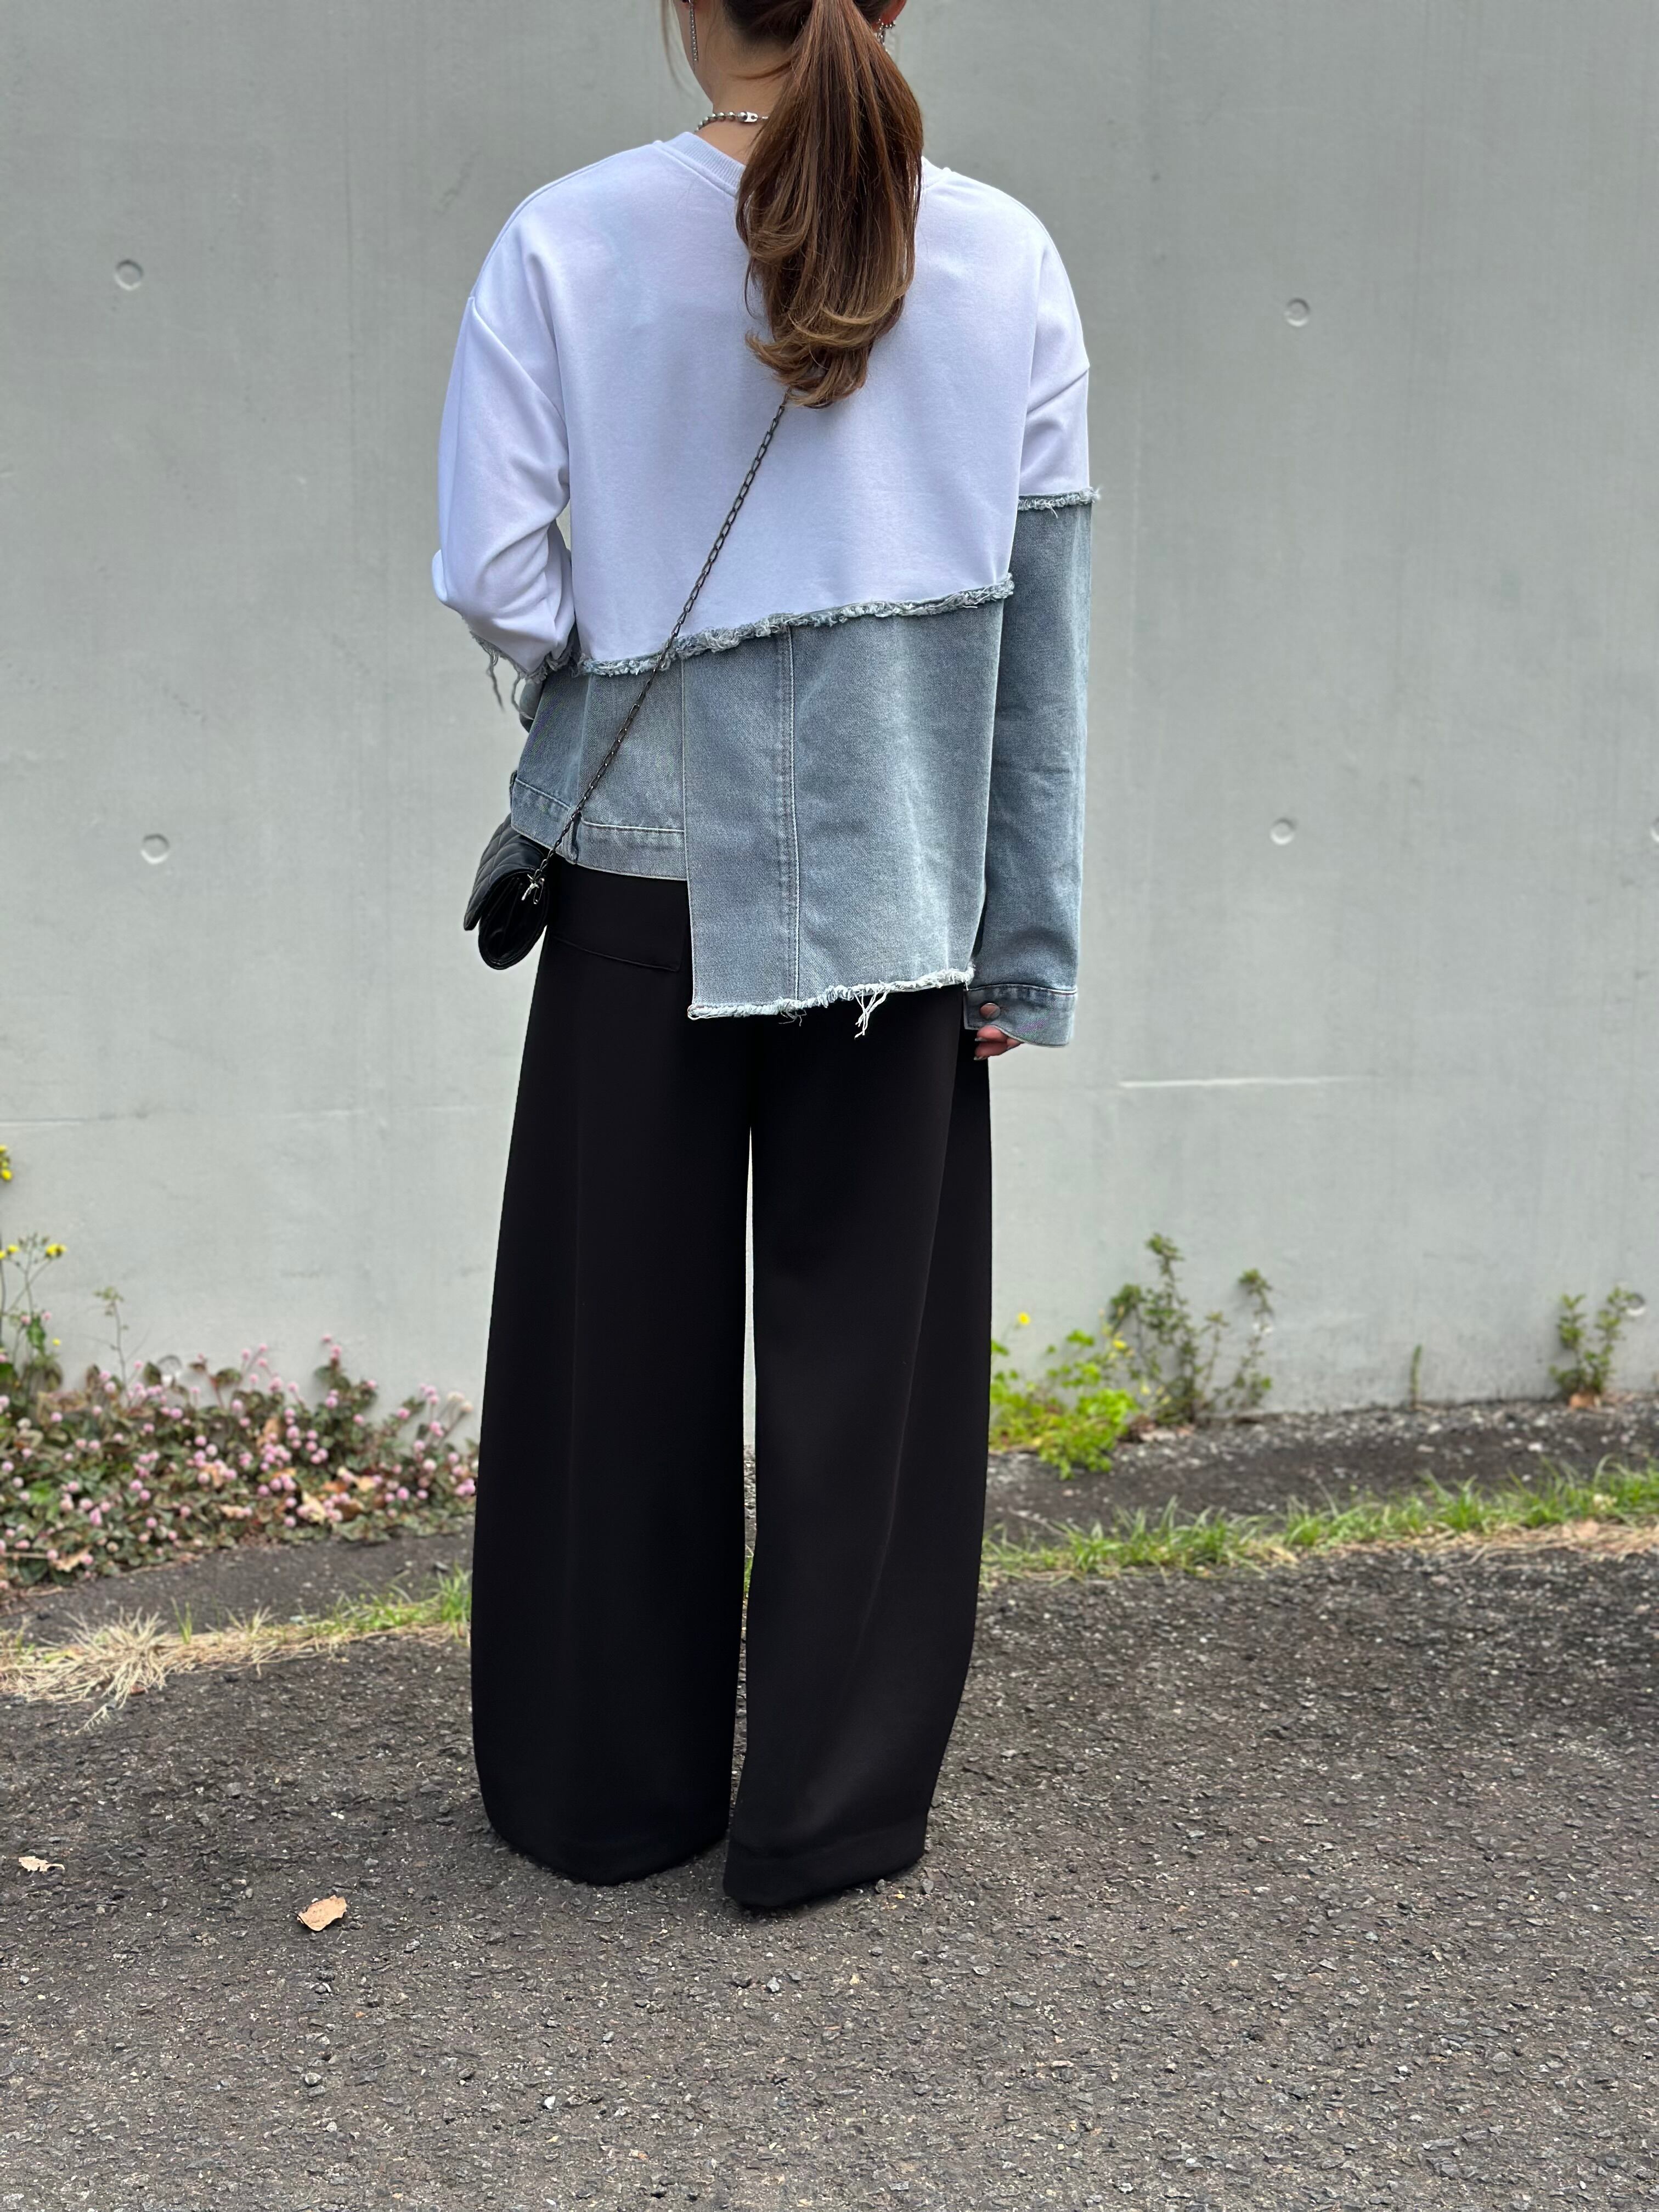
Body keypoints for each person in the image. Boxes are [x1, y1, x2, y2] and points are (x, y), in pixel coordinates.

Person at [433, 0, 1093, 1911]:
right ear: (892, 5)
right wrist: (1018, 944)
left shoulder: (565, 239)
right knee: (871, 1370)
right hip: (906, 887)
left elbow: (497, 574)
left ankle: (601, 1798)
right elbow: (1041, 629)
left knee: (607, 1347)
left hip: (644, 878)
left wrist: (633, 657)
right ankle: (828, 1814)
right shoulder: (1005, 254)